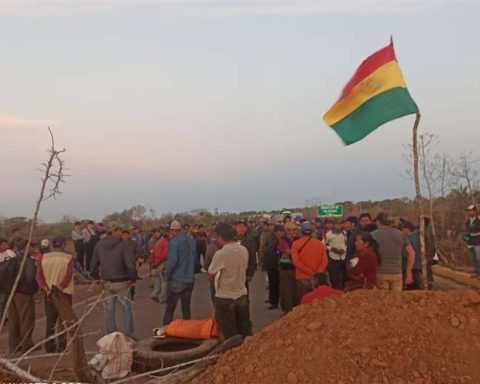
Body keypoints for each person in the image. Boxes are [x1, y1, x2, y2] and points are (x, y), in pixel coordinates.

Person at [90, 223, 137, 337]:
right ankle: (128, 336)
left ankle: (111, 336)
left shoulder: (99, 245)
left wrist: (97, 279)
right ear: (113, 231)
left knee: (109, 311)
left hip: (107, 282)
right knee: (126, 309)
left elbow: (93, 266)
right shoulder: (122, 245)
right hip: (122, 281)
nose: (121, 232)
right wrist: (132, 278)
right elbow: (130, 264)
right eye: (119, 229)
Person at [208, 223, 252, 340]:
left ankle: (233, 355)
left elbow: (210, 275)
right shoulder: (244, 250)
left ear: (221, 237)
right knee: (245, 328)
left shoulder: (221, 254)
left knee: (230, 333)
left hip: (225, 297)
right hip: (242, 294)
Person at [36, 235, 75, 353]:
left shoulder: (43, 258)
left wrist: (45, 288)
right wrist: (61, 287)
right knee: (63, 321)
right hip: (64, 293)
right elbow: (69, 275)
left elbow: (39, 276)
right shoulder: (68, 258)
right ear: (63, 245)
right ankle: (62, 346)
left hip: (48, 293)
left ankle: (49, 346)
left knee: (50, 320)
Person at [163, 220, 197, 325]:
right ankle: (187, 330)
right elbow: (195, 258)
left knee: (170, 308)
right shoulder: (191, 241)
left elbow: (172, 262)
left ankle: (163, 331)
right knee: (186, 307)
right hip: (190, 279)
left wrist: (166, 273)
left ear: (172, 230)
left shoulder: (174, 242)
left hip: (177, 279)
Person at [9, 240, 38, 355]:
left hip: (11, 293)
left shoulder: (13, 259)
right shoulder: (28, 260)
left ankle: (13, 345)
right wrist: (33, 289)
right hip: (24, 293)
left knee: (13, 320)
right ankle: (27, 343)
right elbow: (31, 278)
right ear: (26, 247)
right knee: (26, 318)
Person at [372, 213, 415, 291]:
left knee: (383, 300)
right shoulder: (401, 235)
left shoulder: (373, 235)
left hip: (380, 273)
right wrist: (409, 272)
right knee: (397, 300)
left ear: (378, 222)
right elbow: (411, 253)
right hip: (397, 273)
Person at [291, 222, 328, 305]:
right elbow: (325, 261)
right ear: (312, 231)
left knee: (303, 302)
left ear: (301, 231)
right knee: (318, 302)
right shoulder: (320, 244)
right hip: (317, 279)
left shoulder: (295, 244)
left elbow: (296, 262)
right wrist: (318, 273)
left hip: (302, 278)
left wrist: (309, 272)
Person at [278, 222, 298, 313]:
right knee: (287, 291)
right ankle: (288, 312)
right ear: (287, 231)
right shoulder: (282, 240)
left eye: (296, 229)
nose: (296, 231)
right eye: (293, 230)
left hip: (297, 268)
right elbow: (288, 252)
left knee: (296, 291)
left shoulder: (298, 239)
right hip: (286, 269)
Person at [263, 225, 283, 310]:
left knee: (280, 285)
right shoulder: (271, 240)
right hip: (272, 265)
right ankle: (273, 301)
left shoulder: (283, 240)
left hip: (280, 265)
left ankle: (278, 301)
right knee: (273, 284)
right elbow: (267, 250)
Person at [324, 220, 347, 290]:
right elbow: (323, 245)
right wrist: (332, 248)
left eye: (341, 224)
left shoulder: (344, 233)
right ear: (334, 225)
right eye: (337, 224)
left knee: (343, 278)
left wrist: (344, 249)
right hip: (333, 258)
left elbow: (345, 243)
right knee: (334, 278)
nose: (339, 226)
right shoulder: (328, 234)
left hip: (343, 258)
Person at [401, 221, 423, 290]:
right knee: (416, 287)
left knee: (410, 288)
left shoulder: (408, 240)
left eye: (402, 229)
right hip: (418, 266)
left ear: (407, 229)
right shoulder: (418, 238)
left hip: (410, 267)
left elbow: (404, 254)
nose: (401, 231)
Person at [150, 229, 169, 302]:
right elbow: (164, 255)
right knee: (164, 281)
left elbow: (152, 253)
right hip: (161, 263)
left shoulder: (157, 242)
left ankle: (154, 294)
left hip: (156, 263)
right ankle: (163, 298)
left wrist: (153, 263)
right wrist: (158, 263)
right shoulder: (165, 243)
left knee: (158, 280)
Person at [465, 205, 480, 279]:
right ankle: (477, 272)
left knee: (478, 258)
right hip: (470, 243)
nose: (469, 212)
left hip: (478, 242)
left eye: (471, 210)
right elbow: (467, 231)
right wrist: (465, 237)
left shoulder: (478, 220)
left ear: (475, 211)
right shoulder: (468, 221)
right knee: (473, 259)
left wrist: (473, 234)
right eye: (468, 211)